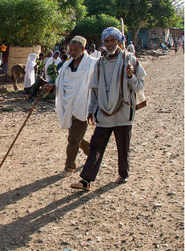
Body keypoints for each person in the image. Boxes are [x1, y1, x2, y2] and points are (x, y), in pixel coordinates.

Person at [71, 27, 146, 191]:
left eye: (113, 40)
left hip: (123, 110)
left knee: (123, 145)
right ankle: (86, 180)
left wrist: (130, 76)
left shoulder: (129, 60)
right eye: (107, 41)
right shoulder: (100, 63)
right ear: (103, 43)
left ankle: (123, 174)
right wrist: (91, 109)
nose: (110, 44)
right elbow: (95, 90)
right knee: (96, 146)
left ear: (119, 42)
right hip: (104, 111)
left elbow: (139, 86)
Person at [45, 35, 98, 177]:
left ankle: (69, 167)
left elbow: (97, 83)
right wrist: (52, 86)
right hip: (68, 106)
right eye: (71, 50)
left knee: (73, 139)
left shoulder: (93, 64)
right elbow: (61, 83)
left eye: (75, 50)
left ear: (83, 49)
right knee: (75, 136)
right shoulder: (67, 66)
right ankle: (93, 153)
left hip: (84, 105)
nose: (72, 53)